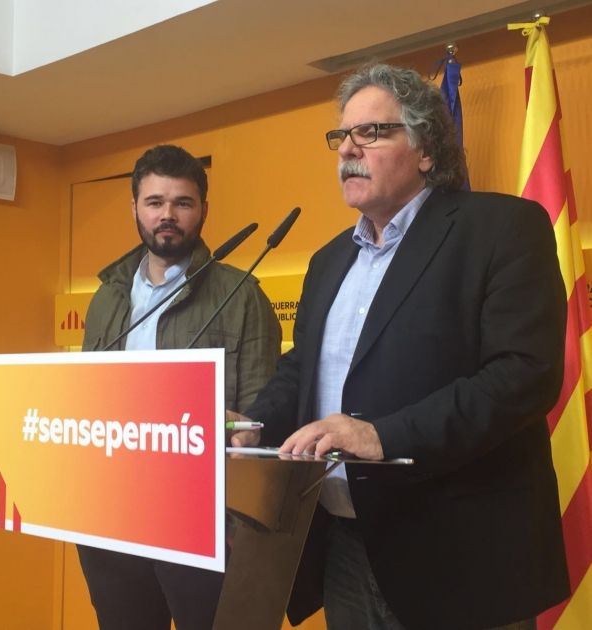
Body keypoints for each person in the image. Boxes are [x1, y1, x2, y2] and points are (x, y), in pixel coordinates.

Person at [231, 63, 570, 630]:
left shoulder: (503, 228)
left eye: (371, 132)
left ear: (426, 151)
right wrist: (255, 425)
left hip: (459, 552)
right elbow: (302, 370)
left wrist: (381, 435)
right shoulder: (328, 260)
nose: (347, 150)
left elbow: (523, 376)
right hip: (344, 542)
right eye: (342, 135)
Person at [77, 144, 281, 630]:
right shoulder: (107, 298)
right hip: (112, 520)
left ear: (203, 210)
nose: (167, 215)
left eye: (182, 203)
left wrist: (238, 527)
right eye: (154, 202)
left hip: (203, 526)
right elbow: (84, 403)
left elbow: (263, 418)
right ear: (134, 208)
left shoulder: (241, 296)